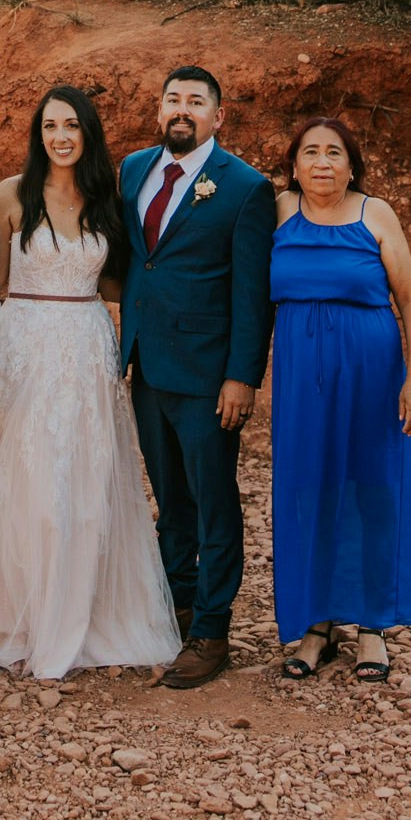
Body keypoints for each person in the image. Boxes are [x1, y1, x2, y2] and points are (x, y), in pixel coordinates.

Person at [0, 86, 180, 678]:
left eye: (72, 126)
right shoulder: (11, 196)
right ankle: (17, 615)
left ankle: (81, 612)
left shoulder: (106, 201)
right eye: (50, 127)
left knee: (85, 479)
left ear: (89, 133)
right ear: (37, 134)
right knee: (23, 480)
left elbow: (117, 286)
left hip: (88, 349)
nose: (61, 137)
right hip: (23, 346)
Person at [119, 65, 276, 690]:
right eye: (172, 100)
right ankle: (177, 612)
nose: (181, 110)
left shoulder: (244, 188)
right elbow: (138, 262)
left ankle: (213, 632)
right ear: (159, 110)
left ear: (218, 116)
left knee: (213, 503)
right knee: (169, 502)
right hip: (146, 367)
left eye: (195, 102)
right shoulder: (134, 170)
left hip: (209, 377)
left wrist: (242, 377)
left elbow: (251, 294)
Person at [270, 114, 411, 683]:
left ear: (351, 164)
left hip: (371, 374)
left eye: (333, 153)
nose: (321, 163)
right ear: (294, 166)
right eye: (310, 152)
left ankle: (370, 627)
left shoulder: (374, 213)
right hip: (299, 376)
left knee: (372, 490)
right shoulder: (280, 212)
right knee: (307, 488)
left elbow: (410, 301)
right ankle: (316, 626)